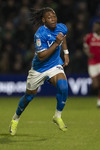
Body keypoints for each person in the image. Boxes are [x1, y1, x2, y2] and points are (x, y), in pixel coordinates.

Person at [9, 7, 70, 135]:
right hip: (39, 69)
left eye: (54, 16)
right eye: (49, 17)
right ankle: (15, 119)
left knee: (63, 86)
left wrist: (66, 53)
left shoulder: (62, 27)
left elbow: (63, 38)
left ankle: (57, 116)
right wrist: (56, 43)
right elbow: (42, 56)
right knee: (29, 96)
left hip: (54, 65)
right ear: (43, 20)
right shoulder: (39, 34)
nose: (53, 19)